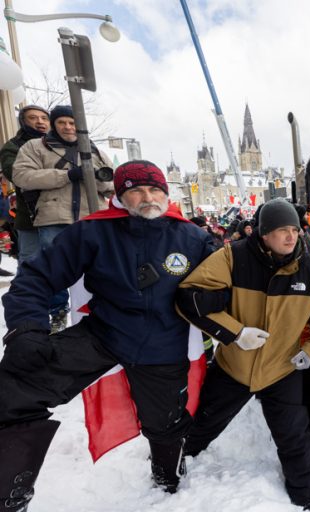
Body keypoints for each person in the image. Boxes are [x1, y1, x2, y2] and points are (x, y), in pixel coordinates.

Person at [0, 161, 214, 510]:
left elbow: (232, 284)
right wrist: (27, 327)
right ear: (119, 195)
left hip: (164, 343)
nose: (148, 197)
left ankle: (168, 476)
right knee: (13, 389)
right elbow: (36, 277)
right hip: (105, 334)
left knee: (165, 424)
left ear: (166, 193)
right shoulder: (92, 232)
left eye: (155, 189)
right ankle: (10, 493)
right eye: (136, 190)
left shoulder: (193, 237)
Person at [176, 198, 310, 510]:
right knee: (205, 422)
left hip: (281, 370)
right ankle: (178, 460)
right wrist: (235, 333)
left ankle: (307, 499)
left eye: (294, 230)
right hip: (233, 367)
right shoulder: (232, 257)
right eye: (282, 230)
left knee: (295, 438)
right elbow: (190, 295)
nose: (290, 236)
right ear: (263, 233)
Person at [12, 105, 113, 333]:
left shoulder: (94, 150)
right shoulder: (35, 147)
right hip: (53, 218)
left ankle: (98, 309)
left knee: (97, 267)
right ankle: (57, 311)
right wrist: (65, 175)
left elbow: (111, 184)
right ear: (54, 124)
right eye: (62, 122)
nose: (68, 127)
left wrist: (92, 177)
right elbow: (22, 176)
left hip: (92, 217)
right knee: (55, 269)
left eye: (72, 122)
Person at [0, 105, 50, 265]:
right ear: (23, 121)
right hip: (30, 218)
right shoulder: (13, 146)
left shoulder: (60, 145)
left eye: (44, 118)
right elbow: (19, 175)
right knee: (31, 267)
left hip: (65, 216)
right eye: (33, 118)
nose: (40, 122)